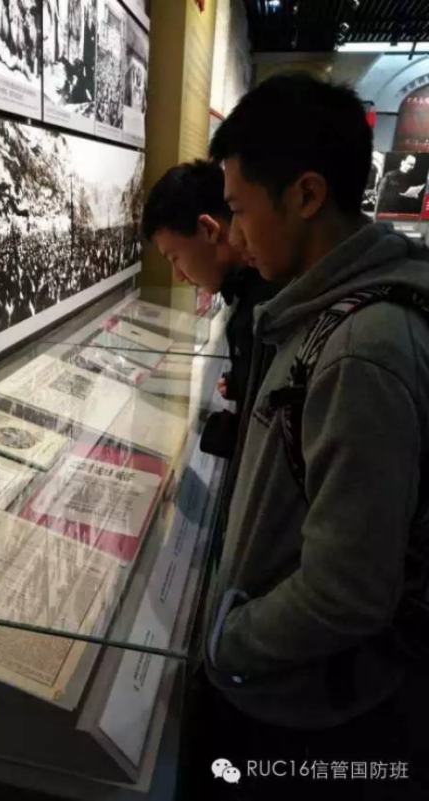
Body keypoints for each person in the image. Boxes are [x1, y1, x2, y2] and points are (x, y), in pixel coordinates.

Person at [178, 73, 429, 801]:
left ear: (307, 195)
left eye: (239, 210)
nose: (235, 235)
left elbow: (346, 590)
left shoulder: (361, 350)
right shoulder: (323, 314)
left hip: (308, 719)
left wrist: (228, 640)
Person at [142, 159, 278, 455]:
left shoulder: (269, 306)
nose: (178, 275)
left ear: (208, 229)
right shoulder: (252, 288)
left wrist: (217, 430)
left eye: (175, 258)